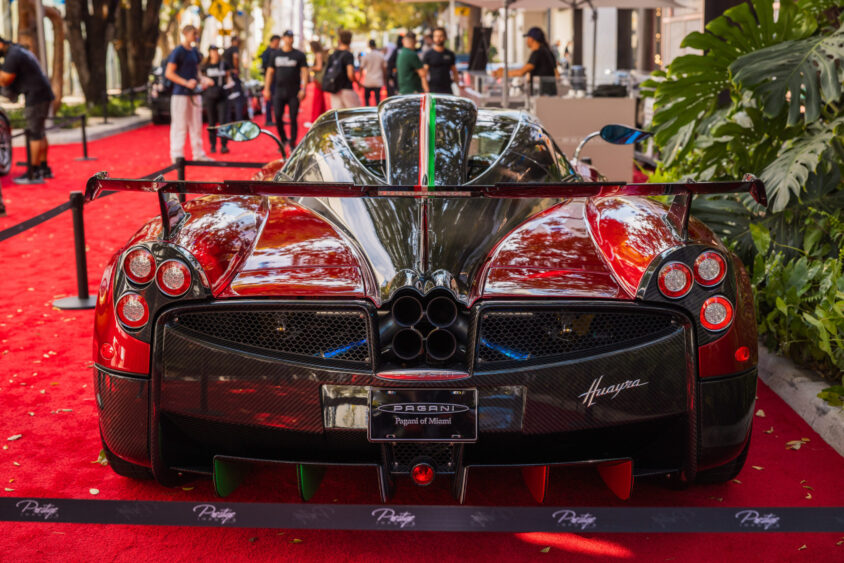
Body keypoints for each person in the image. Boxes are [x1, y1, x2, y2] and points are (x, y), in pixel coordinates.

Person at [0, 36, 55, 182]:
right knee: (40, 132)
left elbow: (5, 79)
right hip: (42, 94)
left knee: (34, 134)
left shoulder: (13, 55)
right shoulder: (19, 51)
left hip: (36, 96)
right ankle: (43, 168)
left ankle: (34, 172)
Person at [164, 25, 210, 163]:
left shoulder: (194, 51)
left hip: (194, 93)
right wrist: (185, 83)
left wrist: (202, 79)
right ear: (185, 33)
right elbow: (169, 73)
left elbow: (197, 72)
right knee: (179, 125)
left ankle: (198, 153)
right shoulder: (178, 51)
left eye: (196, 33)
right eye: (193, 33)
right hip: (180, 94)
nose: (195, 35)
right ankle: (177, 155)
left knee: (196, 125)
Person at [262, 30, 308, 151]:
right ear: (283, 38)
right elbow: (269, 73)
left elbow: (304, 73)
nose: (290, 39)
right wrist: (266, 89)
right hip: (279, 91)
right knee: (277, 116)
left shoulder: (299, 55)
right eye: (287, 37)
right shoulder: (275, 55)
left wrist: (303, 89)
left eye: (291, 37)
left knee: (293, 118)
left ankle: (293, 143)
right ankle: (283, 140)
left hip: (294, 92)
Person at [492, 26, 558, 96]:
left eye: (528, 38)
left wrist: (502, 73)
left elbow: (521, 72)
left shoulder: (538, 53)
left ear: (532, 39)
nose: (526, 40)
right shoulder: (547, 51)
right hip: (549, 94)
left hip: (543, 95)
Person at [200, 46, 230, 154]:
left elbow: (228, 77)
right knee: (212, 121)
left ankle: (224, 144)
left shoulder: (223, 64)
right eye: (212, 51)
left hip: (222, 94)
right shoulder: (206, 65)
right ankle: (213, 145)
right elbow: (200, 76)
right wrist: (205, 80)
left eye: (216, 51)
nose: (214, 53)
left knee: (223, 121)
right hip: (210, 95)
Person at [323, 30, 360, 109]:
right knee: (353, 113)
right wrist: (358, 82)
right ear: (350, 41)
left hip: (334, 88)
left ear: (339, 41)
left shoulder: (333, 54)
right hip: (346, 88)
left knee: (338, 114)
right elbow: (350, 74)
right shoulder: (348, 55)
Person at [422, 27, 459, 95]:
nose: (438, 38)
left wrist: (457, 86)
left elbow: (454, 72)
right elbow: (424, 75)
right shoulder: (428, 54)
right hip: (433, 90)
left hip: (448, 90)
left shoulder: (450, 54)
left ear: (445, 37)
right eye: (436, 36)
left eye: (441, 36)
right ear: (433, 38)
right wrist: (427, 90)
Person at [261, 34, 281, 126]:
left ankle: (278, 118)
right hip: (270, 80)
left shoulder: (278, 52)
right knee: (269, 100)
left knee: (278, 101)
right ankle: (268, 119)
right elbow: (266, 68)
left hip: (278, 79)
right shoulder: (267, 53)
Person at [360, 39, 386, 106]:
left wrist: (360, 79)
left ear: (369, 45)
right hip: (378, 80)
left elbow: (361, 67)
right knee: (378, 100)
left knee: (367, 99)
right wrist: (385, 78)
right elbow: (384, 68)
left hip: (368, 81)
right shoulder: (380, 55)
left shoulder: (366, 56)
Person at [308, 41, 327, 124]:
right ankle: (322, 117)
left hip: (319, 79)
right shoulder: (322, 53)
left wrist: (310, 68)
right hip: (321, 79)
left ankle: (315, 119)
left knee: (317, 100)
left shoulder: (318, 54)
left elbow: (319, 67)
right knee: (320, 100)